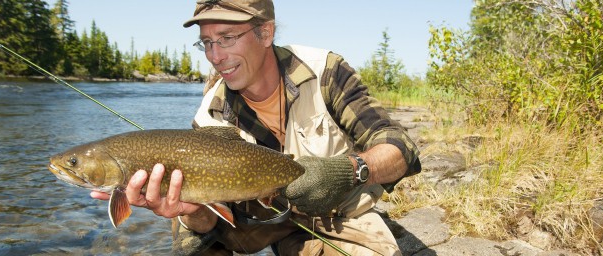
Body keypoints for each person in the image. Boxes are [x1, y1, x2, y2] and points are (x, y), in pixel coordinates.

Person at [92, 0, 421, 255]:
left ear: (266, 32)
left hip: (336, 216)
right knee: (190, 242)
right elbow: (208, 221)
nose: (215, 56)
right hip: (255, 222)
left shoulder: (326, 72)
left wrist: (351, 170)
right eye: (206, 42)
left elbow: (400, 149)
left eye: (227, 38)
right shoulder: (210, 114)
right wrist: (187, 210)